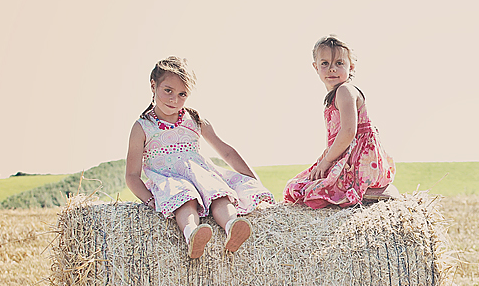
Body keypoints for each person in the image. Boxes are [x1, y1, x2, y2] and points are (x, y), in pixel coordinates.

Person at [125, 56, 276, 258]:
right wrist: (148, 199)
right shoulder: (142, 127)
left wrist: (252, 179)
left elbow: (227, 152)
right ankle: (192, 234)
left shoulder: (194, 120)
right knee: (185, 199)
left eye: (182, 94)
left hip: (200, 175)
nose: (174, 100)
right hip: (170, 181)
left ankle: (232, 226)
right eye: (168, 91)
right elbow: (132, 175)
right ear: (153, 86)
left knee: (220, 194)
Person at [285, 36, 397, 208]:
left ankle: (369, 190)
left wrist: (327, 161)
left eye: (339, 63)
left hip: (361, 162)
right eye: (325, 63)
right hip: (349, 156)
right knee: (300, 186)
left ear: (350, 67)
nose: (332, 69)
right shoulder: (335, 96)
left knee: (302, 189)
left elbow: (348, 132)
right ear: (315, 67)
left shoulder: (345, 90)